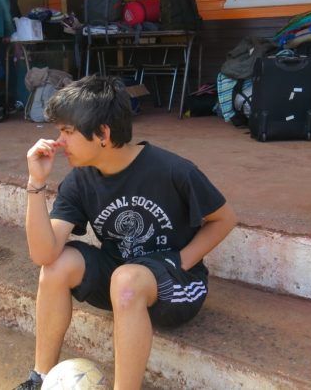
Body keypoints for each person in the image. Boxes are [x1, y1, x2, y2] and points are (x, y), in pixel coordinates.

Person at [17, 76, 237, 390]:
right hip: (121, 279)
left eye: (67, 131)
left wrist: (181, 261)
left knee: (126, 280)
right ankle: (38, 378)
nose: (59, 142)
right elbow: (43, 254)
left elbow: (224, 219)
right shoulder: (80, 181)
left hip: (177, 284)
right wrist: (35, 183)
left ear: (103, 134)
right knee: (58, 265)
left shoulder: (172, 170)